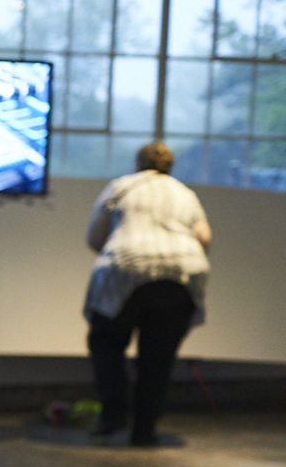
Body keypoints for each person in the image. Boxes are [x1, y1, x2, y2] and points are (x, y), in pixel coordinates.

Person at [84, 141, 211, 447]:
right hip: (181, 274)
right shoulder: (184, 193)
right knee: (158, 358)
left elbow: (95, 238)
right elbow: (204, 238)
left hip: (126, 270)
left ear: (137, 163)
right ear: (171, 165)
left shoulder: (120, 187)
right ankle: (144, 430)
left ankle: (113, 417)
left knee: (107, 345)